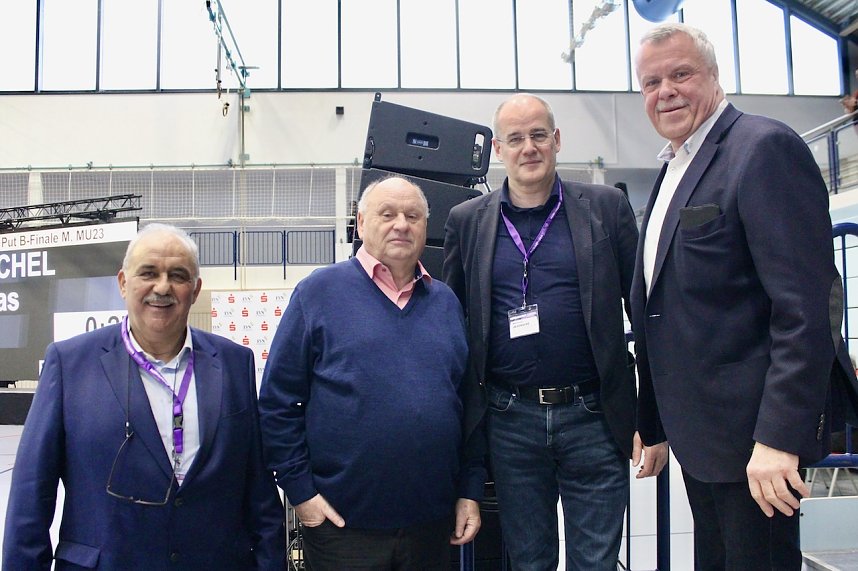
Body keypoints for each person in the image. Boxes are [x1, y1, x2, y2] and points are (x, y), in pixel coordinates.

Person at [632, 23, 858, 570]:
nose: (666, 91)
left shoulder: (762, 148)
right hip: (703, 439)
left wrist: (779, 438)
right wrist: (657, 423)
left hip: (757, 445)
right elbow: (665, 308)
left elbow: (806, 306)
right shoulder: (674, 168)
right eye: (651, 81)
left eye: (681, 74)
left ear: (713, 76)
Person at [443, 93, 667, 571]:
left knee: (597, 561)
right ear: (499, 150)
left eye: (539, 135)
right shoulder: (468, 221)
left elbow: (644, 313)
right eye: (516, 138)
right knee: (529, 560)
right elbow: (451, 323)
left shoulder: (607, 208)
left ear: (557, 140)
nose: (529, 147)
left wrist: (652, 421)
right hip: (509, 419)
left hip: (594, 415)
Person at [2, 223, 286, 570]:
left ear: (195, 290)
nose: (162, 287)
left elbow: (258, 490)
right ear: (123, 283)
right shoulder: (70, 363)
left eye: (178, 275)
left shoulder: (233, 363)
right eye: (148, 273)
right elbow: (31, 496)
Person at [259, 176, 483, 570]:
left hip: (431, 527)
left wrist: (469, 490)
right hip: (342, 529)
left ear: (425, 229)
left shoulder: (445, 303)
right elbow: (278, 403)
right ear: (361, 224)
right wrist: (300, 493)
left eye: (413, 216)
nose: (401, 224)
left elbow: (468, 407)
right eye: (388, 214)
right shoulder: (318, 293)